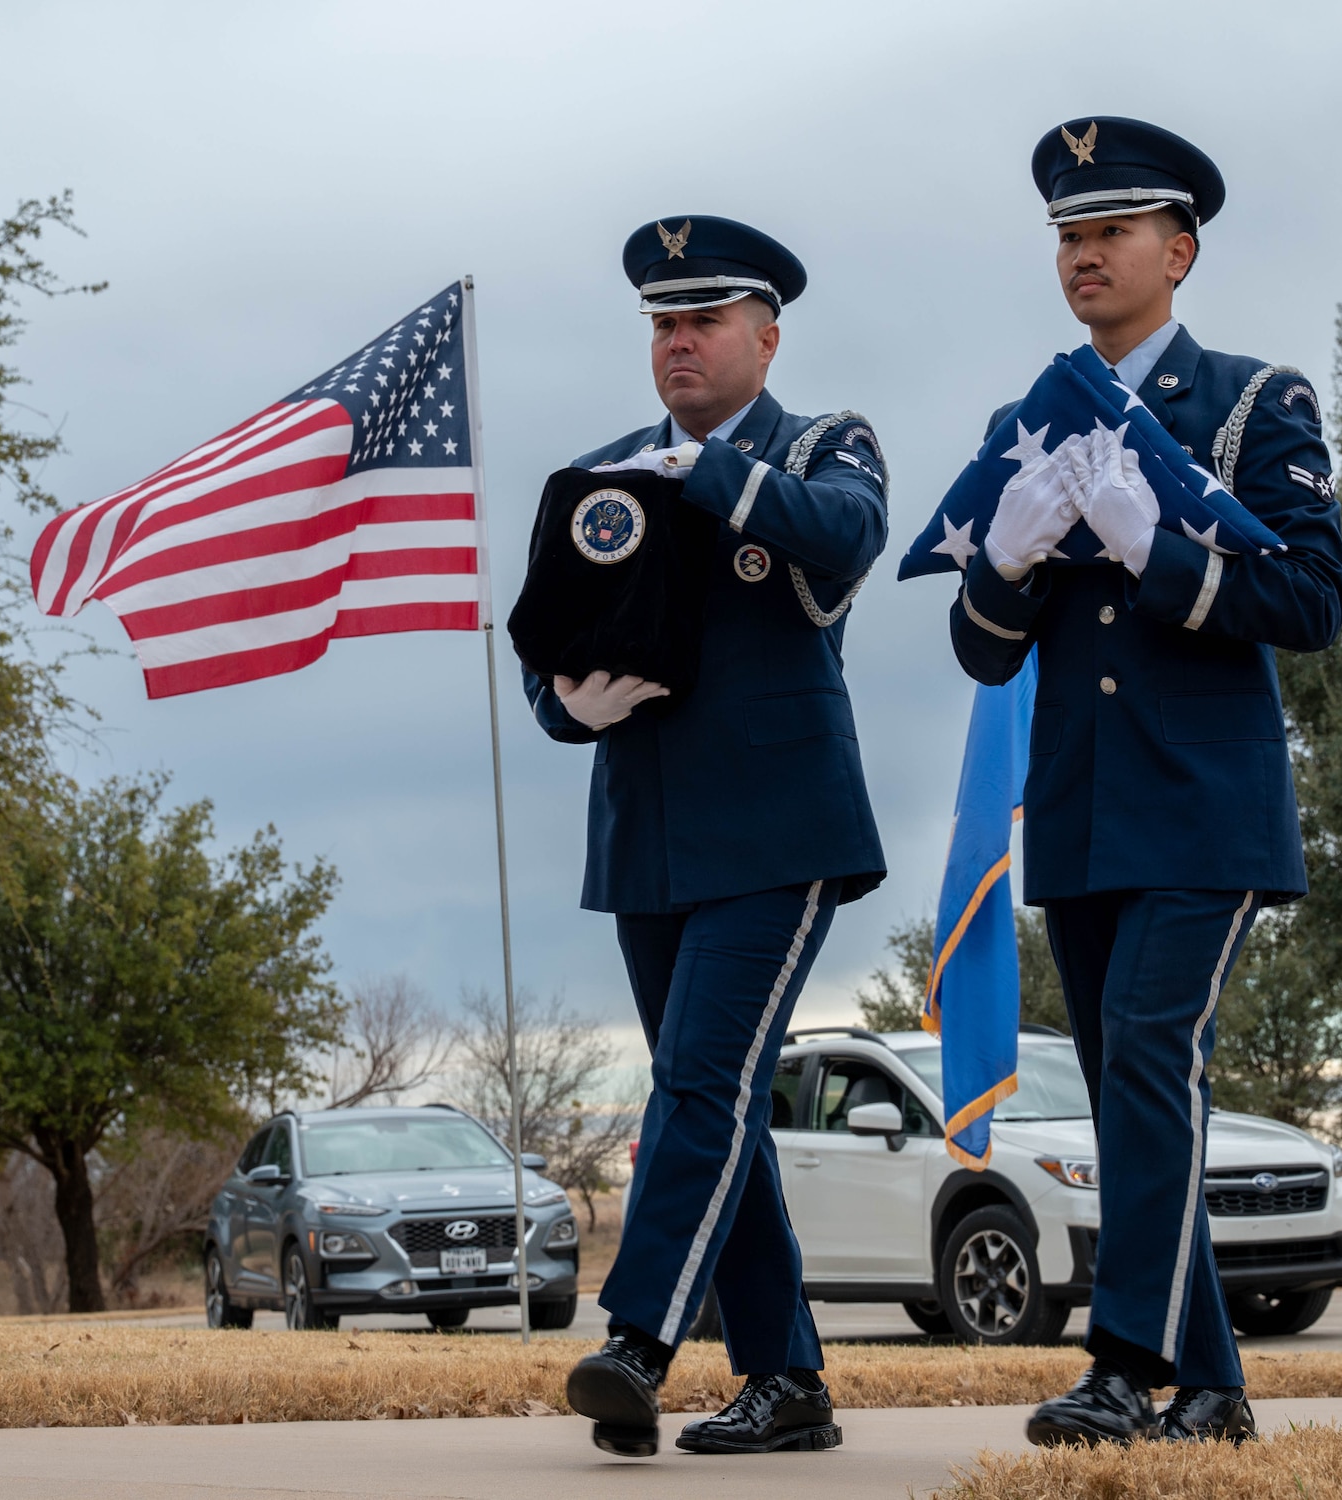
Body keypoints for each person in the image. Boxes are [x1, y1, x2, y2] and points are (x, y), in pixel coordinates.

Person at [948, 119, 1342, 1446]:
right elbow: (978, 648)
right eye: (1068, 235)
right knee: (1138, 1092)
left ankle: (1123, 1366)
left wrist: (1158, 552)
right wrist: (1002, 567)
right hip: (1081, 809)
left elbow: (1310, 597)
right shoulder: (1032, 422)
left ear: (1178, 250)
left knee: (1147, 1059)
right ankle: (1217, 1389)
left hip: (1203, 808)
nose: (1084, 255)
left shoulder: (1250, 402)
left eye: (1110, 231)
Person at [522, 215, 888, 1458]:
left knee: (693, 1087)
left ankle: (637, 1342)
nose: (676, 342)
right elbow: (546, 632)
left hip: (780, 833)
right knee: (717, 1105)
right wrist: (564, 705)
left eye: (702, 321)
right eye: (661, 326)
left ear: (763, 335)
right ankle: (787, 1380)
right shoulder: (601, 474)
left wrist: (716, 477)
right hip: (645, 837)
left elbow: (842, 542)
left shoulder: (820, 444)